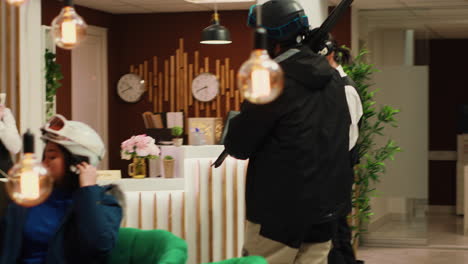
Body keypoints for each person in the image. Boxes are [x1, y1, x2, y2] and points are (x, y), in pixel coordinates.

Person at [224, 1, 354, 263]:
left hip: (277, 217)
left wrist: (236, 118)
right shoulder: (333, 80)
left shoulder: (269, 80)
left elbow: (238, 145)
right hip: (324, 213)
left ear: (269, 41)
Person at [0, 114, 123, 264]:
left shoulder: (104, 201)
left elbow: (99, 246)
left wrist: (88, 191)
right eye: (44, 157)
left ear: (77, 163)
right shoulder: (32, 198)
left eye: (51, 157)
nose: (44, 164)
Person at [321, 35, 363, 264]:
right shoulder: (333, 86)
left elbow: (347, 137)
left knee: (336, 233)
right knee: (336, 231)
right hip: (333, 170)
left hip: (337, 170)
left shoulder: (345, 89)